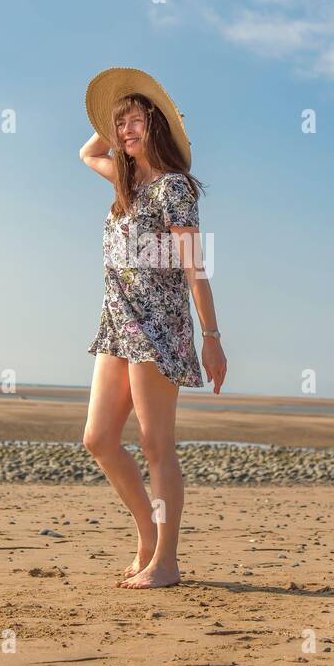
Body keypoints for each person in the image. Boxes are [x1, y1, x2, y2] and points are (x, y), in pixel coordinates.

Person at [77, 67, 227, 590]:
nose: (124, 134)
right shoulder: (125, 182)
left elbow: (194, 268)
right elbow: (85, 153)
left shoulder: (175, 190)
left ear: (158, 127)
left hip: (160, 326)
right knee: (98, 438)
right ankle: (147, 533)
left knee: (156, 444)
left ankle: (166, 560)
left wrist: (212, 338)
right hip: (116, 322)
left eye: (136, 123)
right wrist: (116, 108)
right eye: (121, 127)